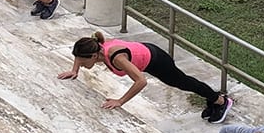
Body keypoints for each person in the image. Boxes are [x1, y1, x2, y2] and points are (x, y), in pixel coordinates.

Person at [58, 33, 230, 121]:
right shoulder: (95, 47)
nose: (80, 62)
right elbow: (79, 53)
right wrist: (75, 71)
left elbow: (141, 81)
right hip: (144, 52)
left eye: (82, 61)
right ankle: (213, 99)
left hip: (156, 60)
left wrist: (120, 101)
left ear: (94, 56)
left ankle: (220, 101)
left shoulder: (116, 57)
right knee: (182, 82)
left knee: (182, 82)